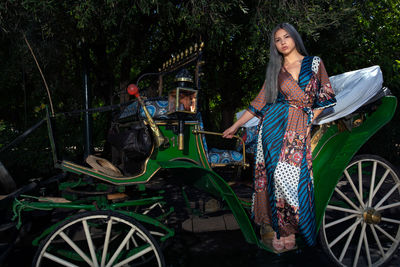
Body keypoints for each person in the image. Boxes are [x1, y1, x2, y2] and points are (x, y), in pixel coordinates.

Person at [222, 23, 336, 251]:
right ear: (274, 45)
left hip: (298, 124)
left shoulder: (314, 63)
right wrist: (235, 125)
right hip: (273, 126)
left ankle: (293, 228)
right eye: (277, 39)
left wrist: (309, 120)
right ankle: (281, 230)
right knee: (275, 177)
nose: (283, 42)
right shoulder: (275, 70)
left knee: (293, 178)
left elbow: (325, 95)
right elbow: (259, 102)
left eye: (286, 37)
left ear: (295, 38)